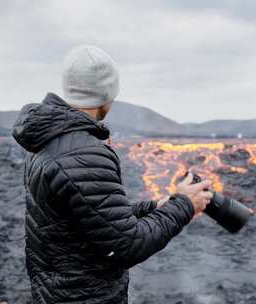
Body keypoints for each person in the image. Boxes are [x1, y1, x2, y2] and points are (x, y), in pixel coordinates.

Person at [12, 45, 213, 304]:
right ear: (107, 95)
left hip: (55, 292)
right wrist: (184, 205)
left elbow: (91, 214)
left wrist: (154, 206)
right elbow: (127, 246)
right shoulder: (85, 154)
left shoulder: (48, 140)